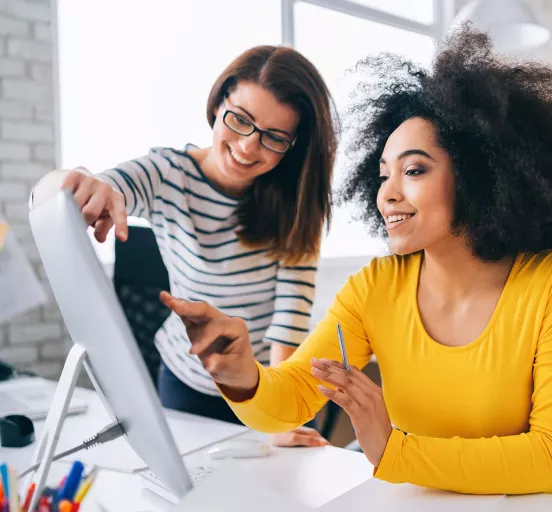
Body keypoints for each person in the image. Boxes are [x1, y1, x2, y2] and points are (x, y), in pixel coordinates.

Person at [160, 26, 552, 495]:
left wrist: (396, 450)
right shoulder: (377, 286)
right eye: (382, 174)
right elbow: (293, 396)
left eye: (414, 170)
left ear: (480, 175)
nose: (387, 194)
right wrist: (242, 374)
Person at [29, 45, 337, 447]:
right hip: (184, 379)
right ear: (218, 103)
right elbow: (78, 189)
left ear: (294, 146)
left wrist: (276, 411)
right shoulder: (169, 173)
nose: (247, 146)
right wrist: (76, 182)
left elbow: (290, 317)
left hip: (257, 386)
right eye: (240, 119)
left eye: (274, 138)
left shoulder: (298, 202)